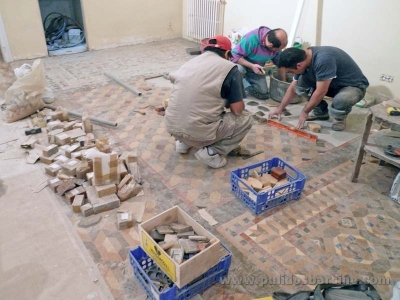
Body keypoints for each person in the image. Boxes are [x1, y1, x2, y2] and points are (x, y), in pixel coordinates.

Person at [165, 35, 253, 169]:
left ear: (205, 50)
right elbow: (237, 110)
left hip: (172, 126)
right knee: (246, 118)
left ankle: (183, 143)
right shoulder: (230, 68)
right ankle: (211, 153)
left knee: (184, 105)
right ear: (227, 53)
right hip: (197, 131)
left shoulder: (190, 63)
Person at [268, 46, 369, 131]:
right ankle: (321, 112)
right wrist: (280, 108)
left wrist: (305, 111)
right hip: (332, 84)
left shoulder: (323, 60)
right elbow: (292, 88)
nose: (291, 74)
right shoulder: (305, 56)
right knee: (300, 86)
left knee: (341, 99)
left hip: (352, 86)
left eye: (291, 71)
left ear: (299, 65)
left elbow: (321, 91)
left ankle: (339, 118)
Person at [231, 27, 288, 100]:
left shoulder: (276, 44)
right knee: (239, 70)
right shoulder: (251, 39)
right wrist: (252, 66)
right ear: (271, 46)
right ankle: (236, 84)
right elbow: (233, 55)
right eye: (278, 49)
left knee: (263, 94)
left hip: (257, 67)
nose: (279, 51)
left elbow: (279, 64)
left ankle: (245, 83)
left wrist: (283, 81)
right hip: (242, 63)